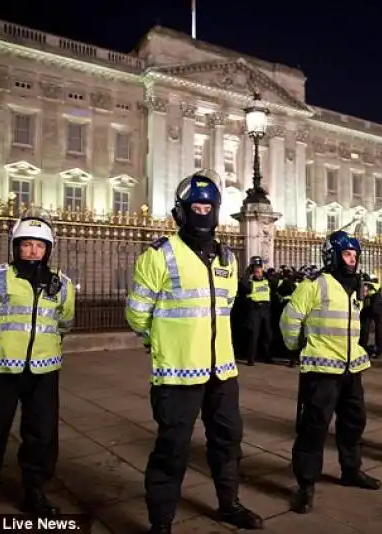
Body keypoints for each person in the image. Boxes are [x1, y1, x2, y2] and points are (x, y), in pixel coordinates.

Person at [126, 170, 263, 533]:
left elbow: (226, 305)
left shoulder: (228, 259)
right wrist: (164, 343)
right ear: (181, 212)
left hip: (222, 372)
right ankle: (161, 521)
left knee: (228, 441)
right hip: (177, 372)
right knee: (172, 449)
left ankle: (229, 504)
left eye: (208, 206)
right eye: (196, 206)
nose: (203, 212)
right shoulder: (158, 256)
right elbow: (137, 315)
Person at [0, 208, 75, 517]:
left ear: (48, 249)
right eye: (26, 244)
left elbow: (64, 322)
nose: (32, 251)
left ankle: (35, 492)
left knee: (42, 435)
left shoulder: (62, 284)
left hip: (44, 371)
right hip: (2, 369)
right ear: (15, 246)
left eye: (39, 245)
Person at [280, 230, 381, 515]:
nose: (352, 260)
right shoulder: (315, 284)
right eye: (347, 255)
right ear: (333, 256)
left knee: (354, 423)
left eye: (355, 255)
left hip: (352, 369)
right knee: (314, 428)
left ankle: (352, 470)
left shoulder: (358, 285)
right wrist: (297, 345)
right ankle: (306, 485)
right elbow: (290, 318)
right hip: (321, 370)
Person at [239, 256, 272, 366]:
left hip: (265, 309)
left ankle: (267, 356)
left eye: (260, 268)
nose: (258, 271)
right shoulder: (250, 282)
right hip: (255, 309)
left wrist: (266, 272)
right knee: (254, 335)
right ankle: (251, 359)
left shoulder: (267, 280)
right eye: (255, 269)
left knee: (267, 333)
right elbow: (243, 285)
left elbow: (275, 280)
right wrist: (247, 273)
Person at [359, 274, 382, 360]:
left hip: (370, 302)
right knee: (379, 328)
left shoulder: (365, 284)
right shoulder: (375, 285)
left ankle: (362, 348)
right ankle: (379, 351)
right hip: (376, 303)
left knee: (365, 327)